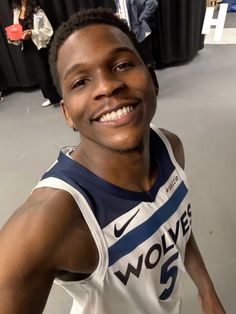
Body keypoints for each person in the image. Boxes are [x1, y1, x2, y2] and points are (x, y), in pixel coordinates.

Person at [0, 8, 225, 314]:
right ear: (67, 113)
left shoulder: (170, 147)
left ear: (152, 79)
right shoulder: (47, 223)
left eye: (121, 65)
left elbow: (176, 226)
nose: (107, 86)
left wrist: (207, 293)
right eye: (80, 82)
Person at [8, 0, 60, 107]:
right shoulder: (16, 11)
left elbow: (48, 30)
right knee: (38, 74)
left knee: (45, 74)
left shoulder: (37, 10)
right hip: (27, 48)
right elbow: (16, 31)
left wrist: (32, 33)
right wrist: (12, 38)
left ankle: (56, 96)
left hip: (39, 46)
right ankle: (49, 97)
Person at [115, 0, 158, 66]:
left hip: (141, 34)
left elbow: (152, 3)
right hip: (128, 34)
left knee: (146, 64)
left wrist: (141, 18)